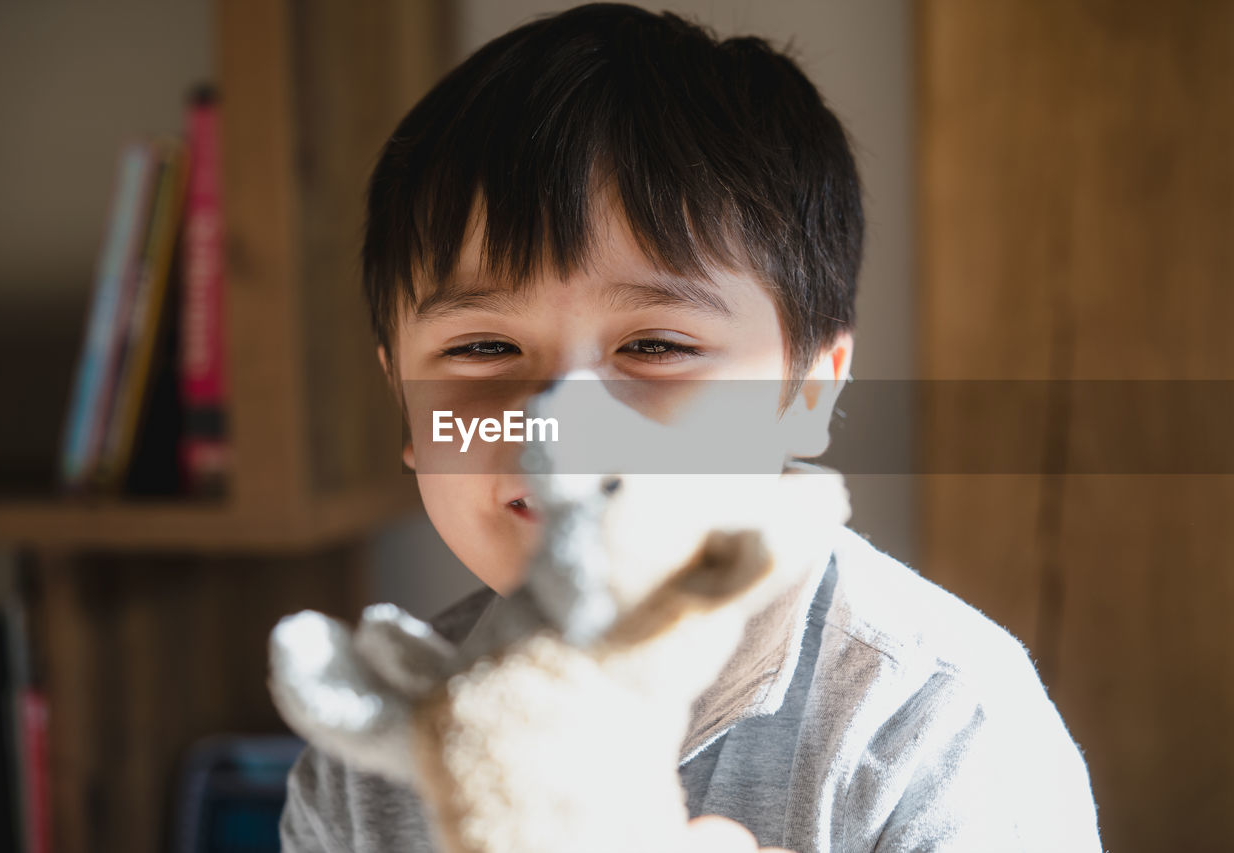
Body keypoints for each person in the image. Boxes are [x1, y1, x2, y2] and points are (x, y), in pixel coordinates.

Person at [279, 4, 1102, 851]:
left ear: (810, 387)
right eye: (483, 346)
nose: (562, 429)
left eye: (656, 346)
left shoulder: (933, 718)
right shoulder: (371, 741)